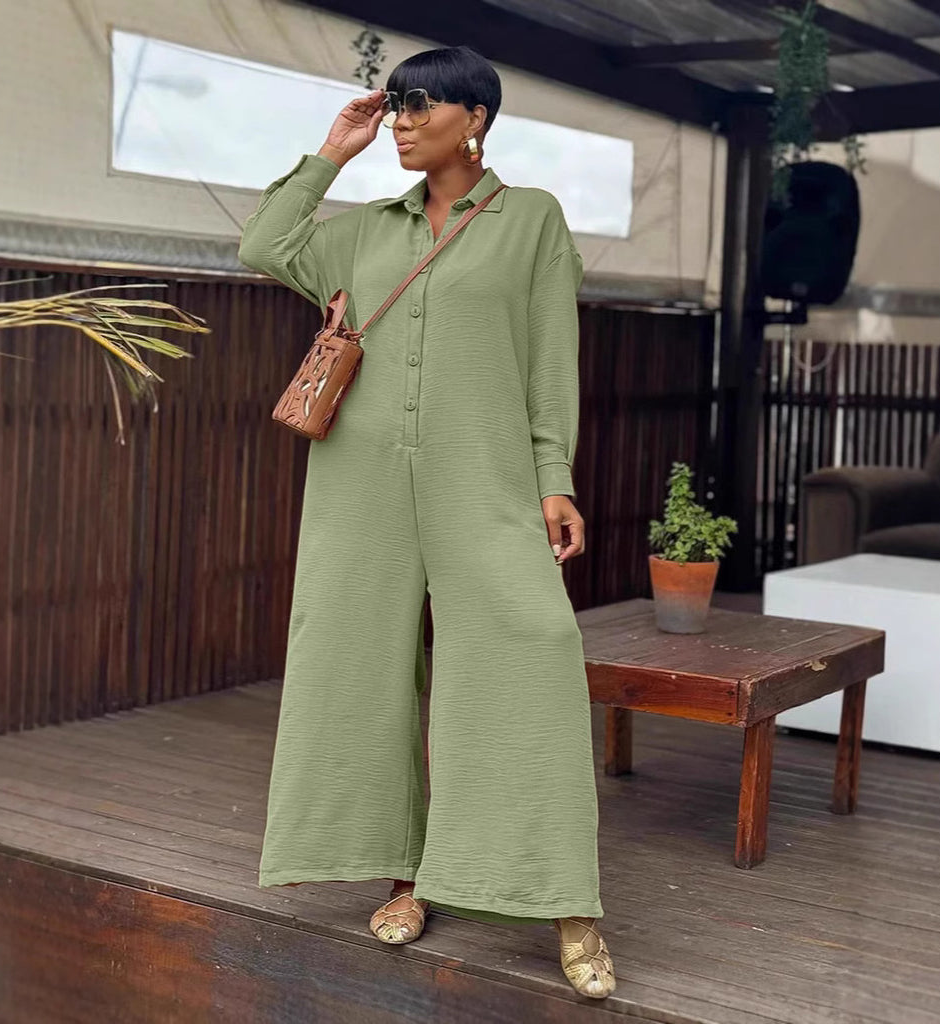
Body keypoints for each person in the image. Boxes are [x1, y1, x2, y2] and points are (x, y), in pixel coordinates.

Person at [237, 44, 615, 1000]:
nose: (402, 121)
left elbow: (550, 357)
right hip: (358, 477)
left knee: (532, 654)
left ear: (474, 118)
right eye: (395, 105)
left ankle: (565, 900)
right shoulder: (365, 228)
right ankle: (407, 876)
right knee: (358, 668)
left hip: (484, 476)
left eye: (420, 105)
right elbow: (264, 247)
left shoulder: (532, 219)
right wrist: (335, 149)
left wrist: (554, 477)